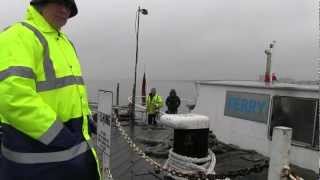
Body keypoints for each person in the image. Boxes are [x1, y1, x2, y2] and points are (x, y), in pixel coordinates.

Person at [0, 1, 100, 179]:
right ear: (41, 4)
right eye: (59, 3)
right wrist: (59, 135)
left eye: (69, 7)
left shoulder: (65, 42)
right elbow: (12, 96)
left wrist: (87, 118)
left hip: (70, 157)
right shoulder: (19, 34)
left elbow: (72, 91)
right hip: (37, 162)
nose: (65, 10)